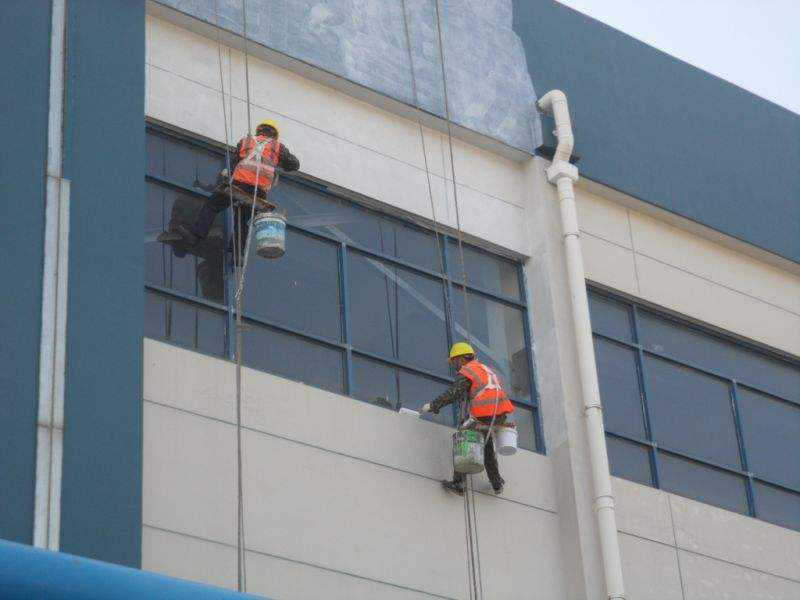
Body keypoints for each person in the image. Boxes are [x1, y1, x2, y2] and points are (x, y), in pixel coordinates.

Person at [178, 118, 300, 247]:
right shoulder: (277, 147)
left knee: (212, 206)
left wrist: (220, 183)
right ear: (275, 135)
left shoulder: (245, 142)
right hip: (259, 192)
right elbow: (294, 164)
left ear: (259, 130)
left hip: (240, 184)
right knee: (242, 220)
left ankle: (196, 236)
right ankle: (238, 254)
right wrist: (281, 163)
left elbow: (232, 166)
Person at [421, 342, 515, 495]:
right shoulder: (485, 369)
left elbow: (454, 393)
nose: (454, 366)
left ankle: (458, 483)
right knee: (486, 443)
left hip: (485, 411)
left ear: (460, 359)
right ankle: (496, 482)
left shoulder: (468, 371)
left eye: (453, 362)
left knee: (464, 437)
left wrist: (434, 406)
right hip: (500, 414)